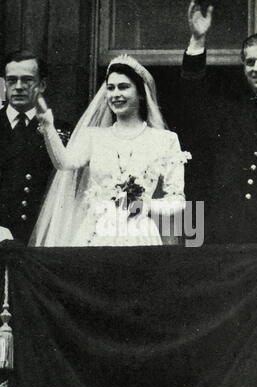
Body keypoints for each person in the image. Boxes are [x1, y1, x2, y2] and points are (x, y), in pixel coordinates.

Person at [30, 55, 190, 247]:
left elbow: (177, 200)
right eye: (110, 88)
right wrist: (48, 126)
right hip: (96, 232)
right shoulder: (93, 137)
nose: (115, 94)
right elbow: (64, 163)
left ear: (140, 92)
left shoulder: (165, 140)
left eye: (123, 87)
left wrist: (144, 205)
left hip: (141, 234)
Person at [181, 1, 257, 244]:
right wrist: (197, 42)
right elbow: (192, 99)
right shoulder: (230, 114)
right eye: (250, 62)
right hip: (240, 241)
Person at [0, 50, 71, 244]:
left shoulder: (61, 131)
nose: (19, 87)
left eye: (27, 80)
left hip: (40, 240)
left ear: (42, 85)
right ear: (4, 84)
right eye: (12, 80)